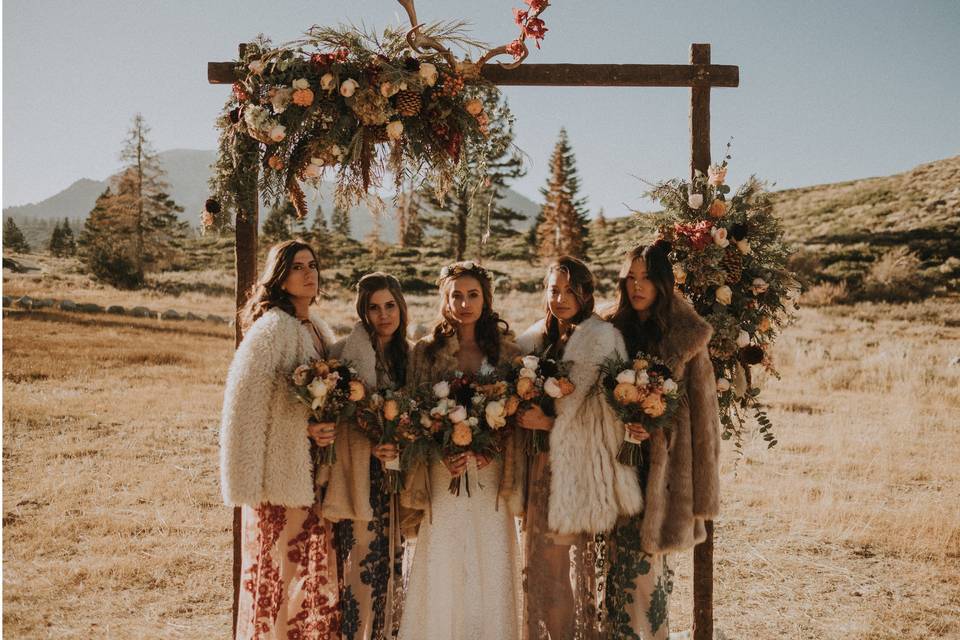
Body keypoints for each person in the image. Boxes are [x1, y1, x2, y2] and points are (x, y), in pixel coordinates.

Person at [516, 256, 644, 640]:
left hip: (575, 468)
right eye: (554, 289)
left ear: (587, 293)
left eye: (571, 290)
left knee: (561, 568)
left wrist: (549, 422)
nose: (562, 297)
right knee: (543, 567)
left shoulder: (602, 338)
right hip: (542, 466)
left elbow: (608, 414)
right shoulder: (543, 338)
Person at [219, 239, 341, 639]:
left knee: (310, 579)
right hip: (283, 477)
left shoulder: (318, 328)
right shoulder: (271, 329)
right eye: (297, 267)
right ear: (280, 277)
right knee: (282, 577)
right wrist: (303, 429)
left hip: (316, 475)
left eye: (312, 264)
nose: (309, 274)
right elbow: (246, 405)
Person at [397, 261, 524, 640]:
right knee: (445, 555)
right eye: (457, 295)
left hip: (489, 471)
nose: (464, 303)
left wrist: (490, 449)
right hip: (443, 469)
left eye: (473, 295)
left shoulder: (506, 352)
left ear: (486, 300)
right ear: (445, 299)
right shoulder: (426, 351)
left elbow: (515, 416)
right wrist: (440, 449)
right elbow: (415, 408)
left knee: (489, 554)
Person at [602, 242, 721, 639]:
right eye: (631, 278)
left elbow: (704, 417)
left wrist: (655, 425)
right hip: (608, 467)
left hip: (660, 474)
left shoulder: (687, 336)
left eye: (647, 278)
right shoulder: (608, 327)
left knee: (644, 579)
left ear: (663, 283)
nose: (637, 287)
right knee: (607, 578)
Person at [324, 273, 410, 640]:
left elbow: (420, 414)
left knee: (392, 566)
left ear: (401, 307)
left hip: (395, 475)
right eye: (374, 308)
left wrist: (400, 443)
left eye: (390, 306)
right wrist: (369, 439)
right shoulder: (343, 354)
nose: (383, 315)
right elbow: (336, 416)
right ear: (363, 312)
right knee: (360, 566)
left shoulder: (412, 355)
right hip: (359, 473)